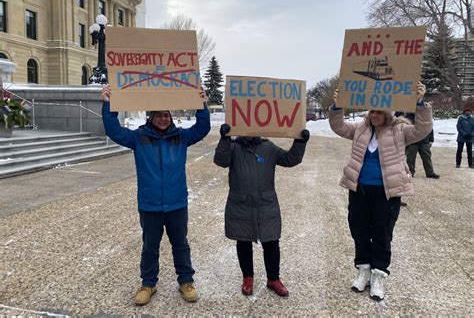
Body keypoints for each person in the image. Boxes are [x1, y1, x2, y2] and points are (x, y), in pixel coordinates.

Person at [101, 84, 210, 306]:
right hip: (150, 204)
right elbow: (114, 130)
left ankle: (186, 282)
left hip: (176, 203)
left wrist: (202, 104)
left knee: (180, 244)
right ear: (152, 117)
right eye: (159, 115)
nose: (163, 119)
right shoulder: (138, 138)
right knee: (150, 246)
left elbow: (203, 128)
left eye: (166, 115)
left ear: (171, 117)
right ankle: (148, 284)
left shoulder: (181, 137)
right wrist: (109, 104)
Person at [329, 81, 432, 301]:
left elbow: (422, 129)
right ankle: (363, 269)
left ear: (387, 113)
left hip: (387, 192)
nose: (375, 115)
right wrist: (337, 106)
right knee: (359, 230)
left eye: (379, 111)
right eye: (372, 111)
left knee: (382, 233)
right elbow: (338, 127)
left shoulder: (400, 130)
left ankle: (378, 274)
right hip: (360, 189)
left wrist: (420, 103)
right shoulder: (360, 129)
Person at [213, 124, 309, 297]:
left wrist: (299, 142)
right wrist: (225, 139)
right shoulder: (233, 147)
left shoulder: (268, 147)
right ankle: (247, 278)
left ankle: (273, 279)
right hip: (241, 204)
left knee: (271, 243)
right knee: (243, 242)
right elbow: (221, 161)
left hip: (266, 204)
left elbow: (290, 159)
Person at [403, 112, 440, 179]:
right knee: (410, 159)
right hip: (412, 141)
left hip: (424, 140)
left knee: (427, 157)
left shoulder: (424, 115)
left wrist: (431, 139)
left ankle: (430, 173)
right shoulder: (407, 117)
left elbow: (429, 127)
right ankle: (410, 173)